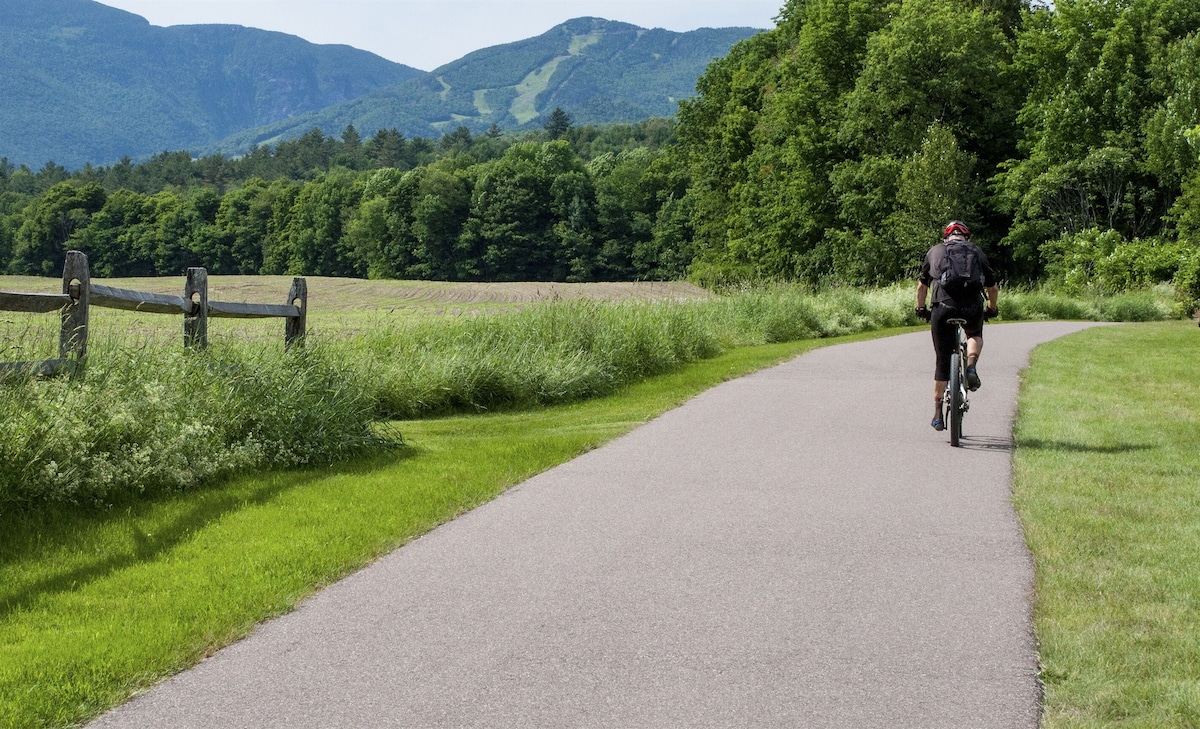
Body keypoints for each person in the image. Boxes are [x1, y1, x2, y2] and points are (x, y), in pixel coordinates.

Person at [915, 221, 999, 431]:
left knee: (942, 360)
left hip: (942, 307)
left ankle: (937, 414)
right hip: (971, 307)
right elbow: (993, 287)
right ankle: (971, 365)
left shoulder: (935, 251)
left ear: (946, 237)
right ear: (966, 238)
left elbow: (921, 286)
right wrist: (992, 307)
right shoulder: (976, 252)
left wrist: (920, 309)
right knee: (973, 334)